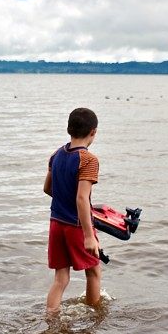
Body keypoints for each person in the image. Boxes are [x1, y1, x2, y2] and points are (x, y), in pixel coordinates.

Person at [43, 108, 101, 314]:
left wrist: (66, 201)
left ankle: (51, 319)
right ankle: (95, 317)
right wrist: (89, 236)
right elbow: (81, 198)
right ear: (93, 132)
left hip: (56, 223)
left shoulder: (56, 155)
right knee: (93, 270)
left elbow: (47, 189)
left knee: (61, 278)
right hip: (75, 226)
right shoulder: (88, 160)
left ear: (69, 128)